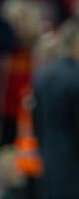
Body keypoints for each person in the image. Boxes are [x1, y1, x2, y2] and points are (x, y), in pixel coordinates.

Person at [33, 19, 79, 198]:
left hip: (47, 156)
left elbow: (35, 120)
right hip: (73, 160)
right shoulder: (76, 79)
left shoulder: (42, 76)